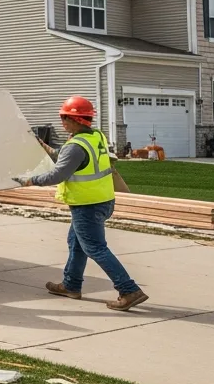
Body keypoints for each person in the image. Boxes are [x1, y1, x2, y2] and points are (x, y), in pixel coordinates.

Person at [16, 96, 148, 311]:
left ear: (74, 119)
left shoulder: (76, 146)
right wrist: (43, 146)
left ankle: (129, 289)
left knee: (94, 248)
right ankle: (71, 285)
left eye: (63, 118)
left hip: (87, 205)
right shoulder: (95, 137)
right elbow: (64, 156)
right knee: (76, 243)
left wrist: (30, 180)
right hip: (103, 200)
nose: (62, 122)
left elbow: (57, 175)